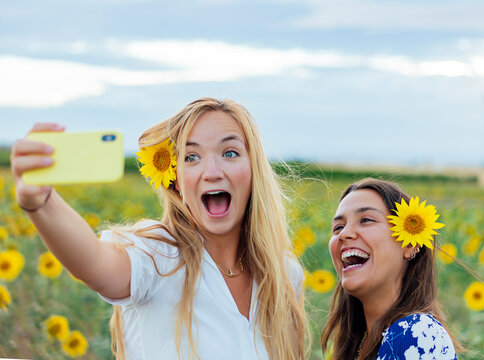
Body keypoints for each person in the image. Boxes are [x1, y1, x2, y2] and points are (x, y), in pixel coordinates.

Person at [11, 98, 308, 360]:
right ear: (177, 180)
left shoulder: (284, 276)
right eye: (191, 157)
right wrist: (42, 203)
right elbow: (95, 264)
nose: (212, 171)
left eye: (230, 153)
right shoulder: (157, 257)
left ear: (254, 169)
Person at [321, 178, 460, 360]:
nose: (344, 233)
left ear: (410, 245)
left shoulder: (415, 335)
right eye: (338, 227)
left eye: (366, 220)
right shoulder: (358, 344)